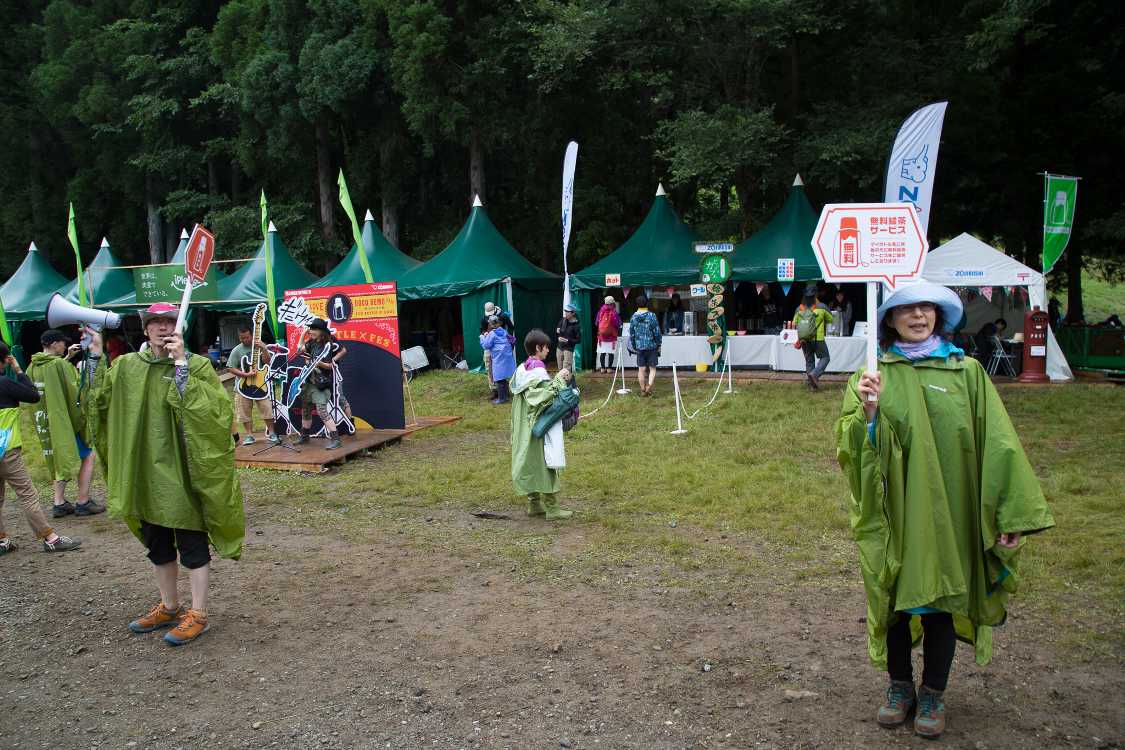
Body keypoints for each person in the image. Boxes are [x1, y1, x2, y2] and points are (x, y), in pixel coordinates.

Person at [836, 282, 1053, 739]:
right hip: (896, 512)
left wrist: (1008, 514)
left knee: (940, 599)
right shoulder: (873, 375)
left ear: (939, 316)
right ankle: (899, 686)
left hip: (951, 510)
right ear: (889, 321)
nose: (918, 316)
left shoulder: (967, 373)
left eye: (927, 308)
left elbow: (998, 443)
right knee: (893, 596)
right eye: (906, 309)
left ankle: (933, 691)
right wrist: (869, 415)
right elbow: (854, 452)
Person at [88, 303, 244, 646]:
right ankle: (170, 606)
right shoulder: (127, 366)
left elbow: (211, 413)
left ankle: (199, 613)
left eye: (169, 321)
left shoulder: (197, 365)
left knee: (190, 539)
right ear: (145, 330)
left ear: (180, 328)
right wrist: (96, 359)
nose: (162, 327)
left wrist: (181, 366)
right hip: (143, 470)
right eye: (155, 322)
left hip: (182, 471)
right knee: (156, 542)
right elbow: (98, 405)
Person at [0, 342, 81, 555]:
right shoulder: (5, 383)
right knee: (27, 494)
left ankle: (2, 541)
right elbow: (33, 395)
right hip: (6, 450)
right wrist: (18, 370)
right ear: (3, 361)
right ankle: (50, 538)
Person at [25, 329, 104, 518]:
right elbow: (75, 393)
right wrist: (82, 419)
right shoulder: (59, 365)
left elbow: (50, 383)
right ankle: (83, 501)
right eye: (62, 343)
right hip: (64, 422)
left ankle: (59, 502)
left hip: (45, 423)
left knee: (56, 458)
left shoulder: (32, 366)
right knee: (89, 455)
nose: (64, 346)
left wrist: (67, 358)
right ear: (54, 344)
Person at [509, 329, 572, 521]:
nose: (548, 351)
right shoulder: (537, 370)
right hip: (538, 424)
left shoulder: (523, 368)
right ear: (538, 348)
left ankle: (534, 503)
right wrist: (560, 379)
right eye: (546, 348)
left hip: (524, 425)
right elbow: (542, 398)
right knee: (546, 461)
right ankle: (552, 508)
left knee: (530, 462)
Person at [227, 324, 280, 446]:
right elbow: (230, 368)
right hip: (242, 386)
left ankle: (271, 433)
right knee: (244, 411)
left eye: (246, 337)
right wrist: (245, 374)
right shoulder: (237, 350)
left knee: (266, 408)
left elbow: (268, 362)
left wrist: (265, 348)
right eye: (241, 338)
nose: (244, 340)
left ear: (252, 335)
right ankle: (249, 435)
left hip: (260, 384)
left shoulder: (260, 346)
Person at [295, 319, 342, 449]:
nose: (311, 331)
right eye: (310, 329)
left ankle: (336, 439)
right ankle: (304, 436)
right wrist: (303, 335)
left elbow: (329, 366)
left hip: (321, 383)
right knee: (306, 410)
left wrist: (316, 362)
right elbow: (299, 351)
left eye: (314, 329)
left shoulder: (328, 345)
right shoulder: (311, 343)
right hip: (309, 381)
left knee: (322, 411)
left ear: (321, 331)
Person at [792, 290, 834, 389]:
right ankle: (815, 374)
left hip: (804, 339)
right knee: (825, 358)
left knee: (809, 361)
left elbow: (794, 323)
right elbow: (831, 319)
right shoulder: (822, 307)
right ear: (815, 296)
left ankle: (812, 386)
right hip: (818, 338)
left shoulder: (799, 308)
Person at [628, 297, 662, 397]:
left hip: (639, 346)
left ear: (637, 304)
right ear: (646, 304)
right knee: (652, 368)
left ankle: (643, 389)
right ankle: (649, 386)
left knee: (641, 369)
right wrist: (659, 343)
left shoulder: (633, 317)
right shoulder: (652, 316)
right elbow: (656, 332)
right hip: (651, 346)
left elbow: (632, 333)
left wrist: (634, 345)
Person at [480, 316, 516, 404]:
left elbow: (486, 345)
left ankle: (502, 398)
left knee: (499, 378)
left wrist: (482, 337)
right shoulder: (504, 331)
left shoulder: (492, 334)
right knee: (503, 377)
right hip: (506, 356)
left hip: (498, 357)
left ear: (491, 324)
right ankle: (506, 396)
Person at [595, 296, 622, 373]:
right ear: (613, 303)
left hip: (601, 337)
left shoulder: (600, 311)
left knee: (602, 353)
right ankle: (609, 368)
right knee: (610, 353)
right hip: (611, 337)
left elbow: (597, 323)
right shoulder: (614, 312)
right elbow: (618, 324)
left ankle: (602, 368)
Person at [555, 303, 581, 374]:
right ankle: (561, 384)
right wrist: (558, 331)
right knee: (560, 370)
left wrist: (567, 340)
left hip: (568, 349)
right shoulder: (563, 320)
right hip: (559, 348)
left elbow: (578, 340)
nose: (565, 313)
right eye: (565, 311)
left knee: (566, 371)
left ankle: (567, 384)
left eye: (567, 311)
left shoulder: (576, 325)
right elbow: (558, 330)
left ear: (573, 313)